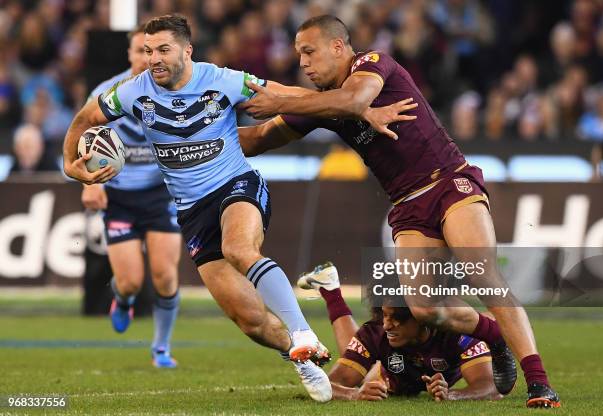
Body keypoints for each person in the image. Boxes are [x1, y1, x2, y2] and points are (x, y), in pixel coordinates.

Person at [238, 15, 560, 408]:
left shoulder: (372, 63)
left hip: (448, 181)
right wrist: (190, 135)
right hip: (407, 205)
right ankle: (494, 338)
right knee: (424, 307)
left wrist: (284, 99)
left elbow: (354, 100)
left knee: (482, 273)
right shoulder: (318, 103)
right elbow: (256, 140)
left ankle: (540, 383)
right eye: (298, 54)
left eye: (309, 51)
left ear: (338, 47)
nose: (303, 62)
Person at [63, 14, 338, 402]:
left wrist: (347, 107)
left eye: (163, 50)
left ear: (187, 50)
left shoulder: (224, 80)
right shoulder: (132, 92)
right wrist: (67, 162)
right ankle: (302, 358)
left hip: (235, 185)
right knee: (250, 320)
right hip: (191, 212)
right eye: (147, 50)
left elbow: (284, 94)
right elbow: (86, 117)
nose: (153, 58)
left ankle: (302, 331)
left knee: (239, 249)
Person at [81, 25, 182, 368]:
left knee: (165, 276)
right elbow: (83, 135)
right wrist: (90, 182)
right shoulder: (107, 92)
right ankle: (122, 299)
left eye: (154, 51)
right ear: (129, 54)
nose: (147, 58)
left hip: (160, 194)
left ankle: (161, 348)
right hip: (119, 197)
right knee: (130, 282)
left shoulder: (177, 89)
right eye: (140, 50)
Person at [298, 262, 502, 402]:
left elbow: (490, 387)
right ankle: (331, 290)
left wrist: (452, 395)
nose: (387, 325)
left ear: (422, 316)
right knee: (366, 378)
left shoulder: (458, 331)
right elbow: (328, 383)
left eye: (397, 318)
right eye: (385, 315)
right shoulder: (376, 331)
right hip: (391, 380)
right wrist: (354, 394)